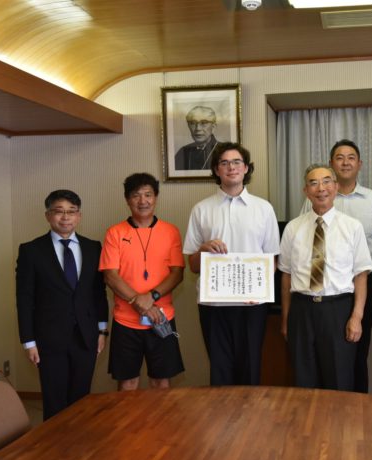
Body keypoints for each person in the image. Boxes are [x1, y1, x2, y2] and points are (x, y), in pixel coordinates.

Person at [300, 139, 372, 393]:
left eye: (351, 157)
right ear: (331, 164)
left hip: (364, 283)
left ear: (360, 164)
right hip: (323, 287)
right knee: (323, 357)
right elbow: (305, 237)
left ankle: (356, 407)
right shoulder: (317, 197)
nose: (345, 162)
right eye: (339, 158)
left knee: (357, 352)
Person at [183, 142, 280, 385]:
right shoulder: (201, 210)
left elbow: (273, 259)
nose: (231, 167)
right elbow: (192, 265)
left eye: (237, 162)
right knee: (220, 370)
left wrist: (259, 290)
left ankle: (251, 412)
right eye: (224, 163)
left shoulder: (263, 208)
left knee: (250, 369)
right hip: (213, 305)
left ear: (246, 168)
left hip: (252, 305)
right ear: (217, 170)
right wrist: (203, 249)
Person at [279, 163, 372, 391]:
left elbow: (361, 275)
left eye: (326, 181)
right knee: (304, 380)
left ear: (336, 187)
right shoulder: (293, 228)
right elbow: (286, 276)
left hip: (338, 310)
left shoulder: (352, 227)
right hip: (302, 310)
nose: (320, 188)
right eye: (313, 183)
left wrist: (356, 317)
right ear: (306, 191)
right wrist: (286, 318)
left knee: (339, 380)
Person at [16, 189, 109, 420]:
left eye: (71, 211)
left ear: (79, 216)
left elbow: (98, 293)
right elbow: (24, 299)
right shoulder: (31, 251)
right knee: (54, 399)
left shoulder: (93, 248)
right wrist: (29, 342)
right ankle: (54, 442)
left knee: (81, 399)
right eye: (59, 211)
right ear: (48, 215)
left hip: (86, 336)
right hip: (49, 338)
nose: (65, 217)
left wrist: (102, 330)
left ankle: (79, 440)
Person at [99, 173, 185, 390]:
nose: (143, 200)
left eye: (148, 194)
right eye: (136, 195)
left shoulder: (171, 231)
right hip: (125, 321)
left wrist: (152, 297)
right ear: (127, 200)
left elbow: (177, 273)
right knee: (127, 381)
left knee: (161, 380)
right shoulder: (115, 232)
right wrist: (140, 302)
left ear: (156, 197)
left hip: (162, 318)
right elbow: (110, 275)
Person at [175, 106, 220, 170]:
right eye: (193, 123)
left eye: (203, 123)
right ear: (188, 126)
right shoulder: (182, 152)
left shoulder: (223, 151)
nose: (198, 128)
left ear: (213, 127)